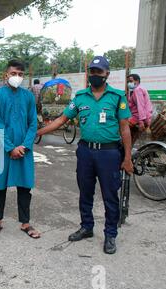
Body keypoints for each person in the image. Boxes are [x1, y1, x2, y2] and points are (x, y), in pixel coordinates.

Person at [37, 56, 133, 255]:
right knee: (85, 192)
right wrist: (38, 132)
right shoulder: (80, 97)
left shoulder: (117, 97)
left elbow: (125, 129)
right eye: (92, 71)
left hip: (109, 153)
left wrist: (127, 158)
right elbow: (62, 119)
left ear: (107, 74)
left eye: (99, 72)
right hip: (86, 152)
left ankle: (110, 234)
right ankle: (87, 227)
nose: (95, 75)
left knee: (110, 196)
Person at [0, 60, 40, 239]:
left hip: (24, 149)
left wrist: (24, 146)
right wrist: (10, 148)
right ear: (6, 75)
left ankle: (25, 223)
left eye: (20, 74)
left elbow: (33, 123)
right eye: (14, 73)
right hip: (2, 148)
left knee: (25, 186)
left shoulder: (28, 97)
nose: (17, 77)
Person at [127, 74, 153, 145]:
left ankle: (127, 150)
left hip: (139, 118)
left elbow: (140, 105)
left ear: (137, 81)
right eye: (128, 81)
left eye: (131, 81)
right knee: (131, 137)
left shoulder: (138, 90)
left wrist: (141, 121)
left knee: (122, 126)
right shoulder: (138, 89)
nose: (129, 83)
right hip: (141, 117)